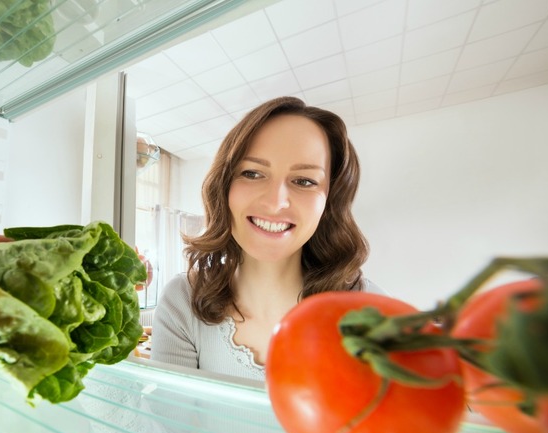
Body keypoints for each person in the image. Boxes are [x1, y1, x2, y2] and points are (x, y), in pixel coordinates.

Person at [151, 96, 384, 380]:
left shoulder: (368, 308)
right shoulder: (183, 301)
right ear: (224, 186)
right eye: (252, 173)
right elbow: (169, 423)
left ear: (329, 201)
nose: (275, 203)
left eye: (305, 181)